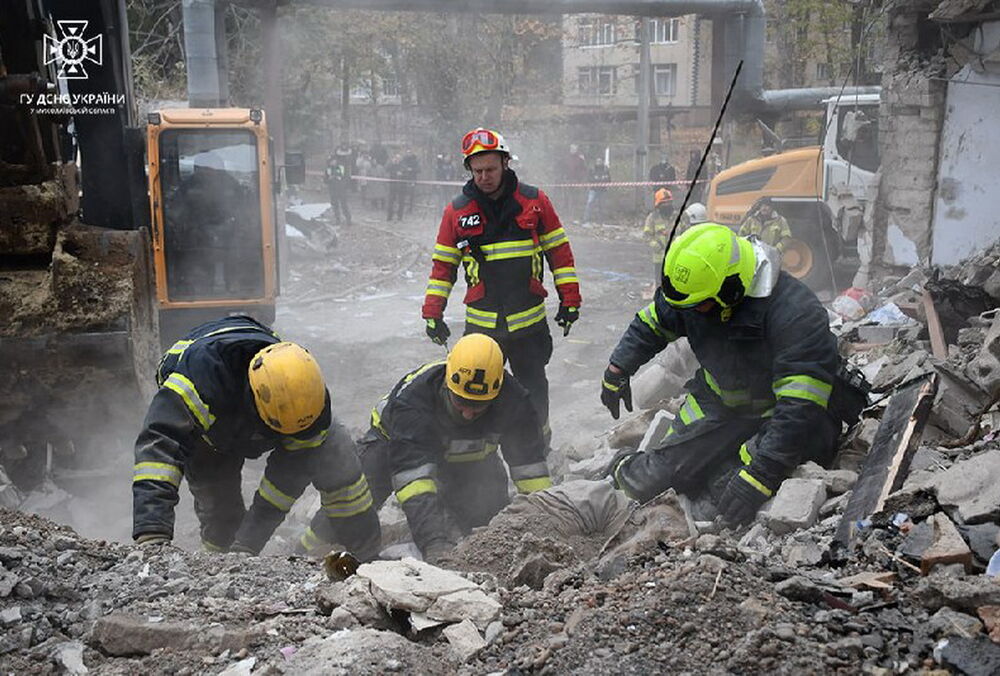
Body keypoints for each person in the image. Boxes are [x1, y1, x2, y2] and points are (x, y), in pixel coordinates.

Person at [599, 224, 866, 526]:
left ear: (733, 290)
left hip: (786, 418)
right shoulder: (696, 294)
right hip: (720, 405)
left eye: (698, 306)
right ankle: (612, 479)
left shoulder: (796, 311)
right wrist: (617, 369)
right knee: (651, 478)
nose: (690, 313)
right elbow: (653, 322)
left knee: (727, 492)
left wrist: (761, 475)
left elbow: (799, 407)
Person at [131, 315, 381, 559]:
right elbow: (158, 450)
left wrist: (248, 544)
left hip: (255, 404)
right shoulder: (199, 385)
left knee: (334, 451)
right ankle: (215, 561)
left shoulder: (305, 392)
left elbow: (287, 478)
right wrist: (152, 532)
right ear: (256, 404)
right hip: (213, 429)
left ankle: (365, 554)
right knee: (220, 506)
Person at [422, 127, 581, 438]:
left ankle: (538, 443)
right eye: (477, 170)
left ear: (506, 164)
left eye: (491, 169)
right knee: (473, 392)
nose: (484, 176)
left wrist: (570, 300)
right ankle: (480, 455)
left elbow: (560, 254)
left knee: (533, 386)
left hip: (529, 324)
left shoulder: (535, 202)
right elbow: (443, 268)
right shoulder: (456, 212)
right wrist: (432, 313)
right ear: (469, 170)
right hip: (482, 325)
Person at [357, 334, 552, 562]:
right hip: (392, 445)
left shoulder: (515, 402)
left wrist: (545, 524)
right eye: (462, 402)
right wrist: (434, 544)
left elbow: (531, 469)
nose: (468, 414)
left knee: (488, 523)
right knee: (354, 509)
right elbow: (414, 481)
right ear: (448, 382)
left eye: (479, 406)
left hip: (468, 460)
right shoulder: (413, 402)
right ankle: (316, 546)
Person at [642, 188, 674, 284]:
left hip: (675, 259)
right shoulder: (652, 218)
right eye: (664, 203)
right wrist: (656, 245)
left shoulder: (677, 216)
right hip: (659, 259)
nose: (667, 206)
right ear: (658, 206)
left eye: (669, 203)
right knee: (660, 285)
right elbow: (646, 236)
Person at [325, 155, 352, 226]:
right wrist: (329, 179)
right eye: (330, 162)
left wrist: (343, 185)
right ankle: (337, 219)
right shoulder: (328, 169)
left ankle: (348, 219)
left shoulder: (342, 167)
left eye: (332, 161)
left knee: (344, 205)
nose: (331, 163)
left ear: (335, 161)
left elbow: (347, 178)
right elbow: (325, 179)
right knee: (335, 205)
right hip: (332, 190)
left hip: (341, 189)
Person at [583, 157, 611, 225]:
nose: (599, 162)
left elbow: (609, 179)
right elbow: (589, 178)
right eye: (597, 161)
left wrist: (606, 185)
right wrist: (593, 182)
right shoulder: (592, 169)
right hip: (593, 190)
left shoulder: (605, 169)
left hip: (602, 190)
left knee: (602, 206)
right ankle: (586, 220)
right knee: (590, 203)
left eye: (600, 161)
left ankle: (601, 221)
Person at [386, 153, 406, 222]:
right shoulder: (391, 164)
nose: (397, 160)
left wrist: (402, 173)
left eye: (399, 158)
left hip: (401, 187)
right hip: (393, 186)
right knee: (390, 201)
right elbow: (387, 169)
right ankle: (389, 216)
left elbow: (405, 171)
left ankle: (400, 216)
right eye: (396, 158)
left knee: (401, 202)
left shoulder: (403, 165)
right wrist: (392, 163)